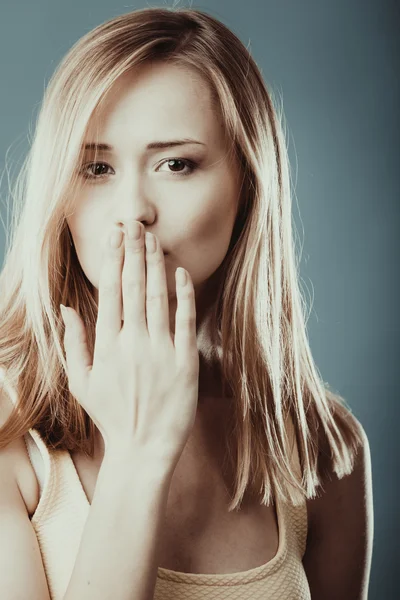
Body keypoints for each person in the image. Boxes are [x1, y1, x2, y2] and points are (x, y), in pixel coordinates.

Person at [0, 6, 373, 600]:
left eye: (176, 164)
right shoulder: (8, 431)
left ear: (248, 187)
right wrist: (139, 456)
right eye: (95, 167)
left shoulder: (321, 445)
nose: (132, 210)